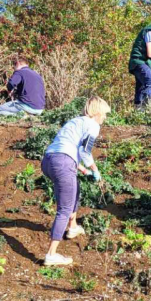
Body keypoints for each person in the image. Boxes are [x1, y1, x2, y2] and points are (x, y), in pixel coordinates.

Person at [40, 96, 110, 267]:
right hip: (63, 163)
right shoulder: (93, 125)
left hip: (48, 161)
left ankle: (73, 227)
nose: (105, 118)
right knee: (64, 209)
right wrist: (95, 170)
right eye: (104, 114)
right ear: (97, 112)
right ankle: (51, 254)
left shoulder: (75, 121)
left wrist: (83, 170)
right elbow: (84, 151)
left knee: (75, 189)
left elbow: (65, 149)